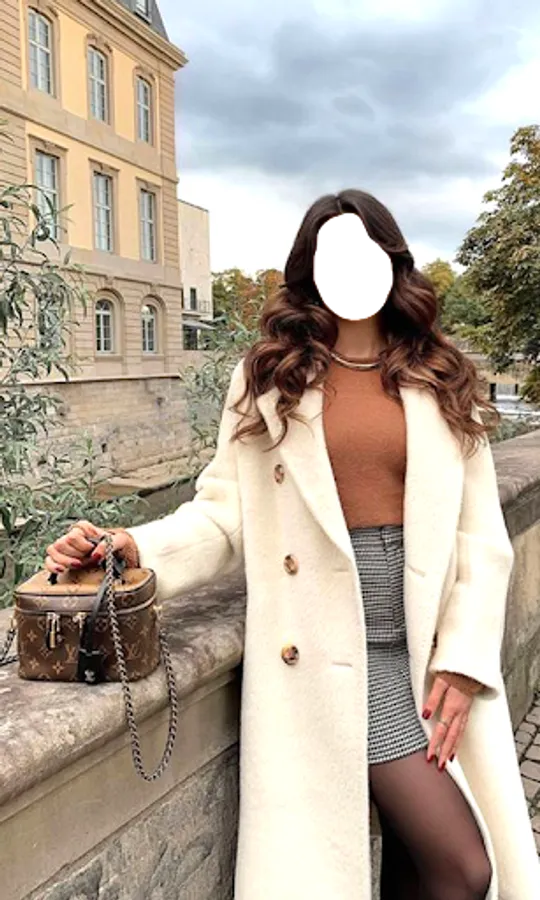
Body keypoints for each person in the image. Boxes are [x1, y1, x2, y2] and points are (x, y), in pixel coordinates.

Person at [45, 189, 540, 900]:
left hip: (428, 648)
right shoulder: (271, 378)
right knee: (463, 866)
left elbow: (481, 537)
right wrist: (128, 544)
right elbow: (225, 516)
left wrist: (463, 661)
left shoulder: (441, 375)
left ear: (393, 264)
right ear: (310, 271)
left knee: (424, 860)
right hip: (325, 650)